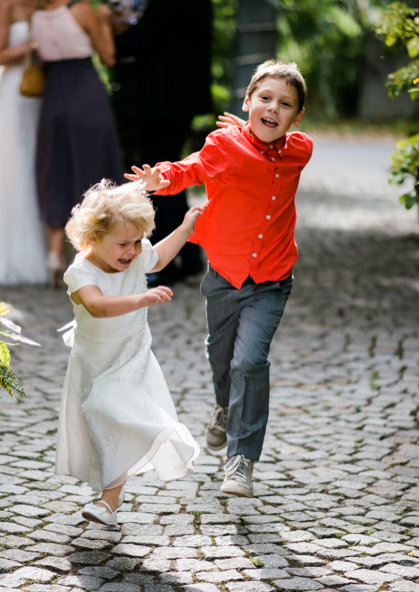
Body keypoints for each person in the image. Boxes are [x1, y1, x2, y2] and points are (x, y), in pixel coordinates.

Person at [126, 60, 312, 498]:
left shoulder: (300, 150)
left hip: (272, 277)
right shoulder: (224, 146)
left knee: (251, 361)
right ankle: (224, 407)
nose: (273, 108)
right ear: (247, 101)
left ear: (297, 118)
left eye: (284, 105)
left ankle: (241, 460)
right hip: (225, 275)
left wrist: (253, 132)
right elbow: (190, 169)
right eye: (264, 99)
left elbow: (275, 143)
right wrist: (160, 178)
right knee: (221, 356)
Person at [57, 180, 201, 526]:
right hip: (94, 361)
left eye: (137, 242)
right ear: (93, 237)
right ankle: (111, 498)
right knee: (101, 420)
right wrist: (140, 299)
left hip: (131, 357)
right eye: (123, 244)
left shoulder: (135, 258)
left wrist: (184, 228)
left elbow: (162, 255)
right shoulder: (81, 272)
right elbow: (98, 306)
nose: (133, 252)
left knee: (105, 407)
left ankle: (110, 500)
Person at [113, 0, 213, 287]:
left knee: (157, 178)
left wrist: (108, 38)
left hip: (164, 98)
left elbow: (146, 34)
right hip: (178, 96)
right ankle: (190, 257)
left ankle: (165, 264)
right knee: (166, 176)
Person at [32, 0, 125, 287]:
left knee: (55, 171)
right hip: (85, 92)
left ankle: (54, 254)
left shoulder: (36, 15)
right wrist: (106, 23)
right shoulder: (84, 10)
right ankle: (92, 257)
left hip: (53, 95)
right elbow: (108, 56)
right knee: (93, 171)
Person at [0, 0, 48, 285]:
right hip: (13, 95)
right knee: (11, 166)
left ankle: (46, 250)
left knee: (34, 166)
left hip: (41, 93)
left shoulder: (44, 5)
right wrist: (30, 48)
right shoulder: (7, 6)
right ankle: (1, 254)